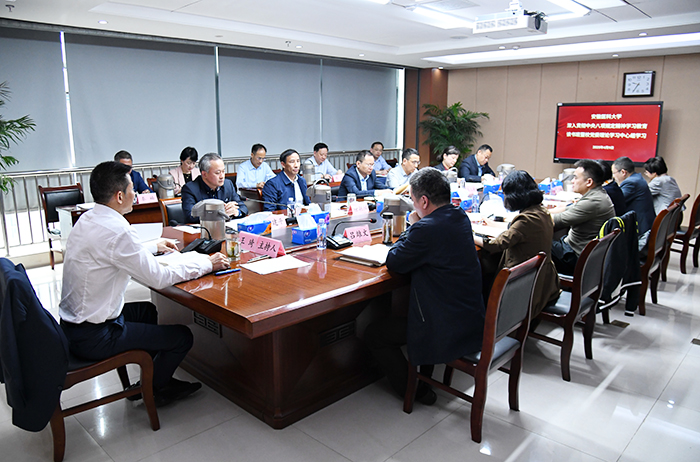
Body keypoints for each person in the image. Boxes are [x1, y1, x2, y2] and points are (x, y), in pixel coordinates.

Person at [59, 161, 230, 407]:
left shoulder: (89, 219)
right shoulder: (118, 230)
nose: (136, 194)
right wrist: (207, 264)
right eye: (132, 190)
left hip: (73, 326)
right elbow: (158, 278)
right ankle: (157, 388)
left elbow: (114, 252)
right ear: (119, 196)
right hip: (95, 337)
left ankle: (151, 375)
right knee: (182, 337)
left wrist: (152, 246)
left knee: (147, 311)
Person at [364, 168, 485, 405]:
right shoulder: (459, 216)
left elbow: (395, 261)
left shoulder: (426, 228)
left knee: (375, 334)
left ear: (424, 201)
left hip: (443, 325)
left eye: (412, 199)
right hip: (470, 318)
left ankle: (416, 391)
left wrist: (412, 225)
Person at [474, 170, 560, 318]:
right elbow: (516, 230)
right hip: (542, 278)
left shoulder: (526, 220)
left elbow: (495, 245)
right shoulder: (541, 212)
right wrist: (493, 224)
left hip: (523, 282)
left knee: (482, 268)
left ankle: (487, 317)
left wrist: (470, 235)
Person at [550, 159, 615, 275]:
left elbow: (555, 221)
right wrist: (544, 211)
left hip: (575, 257)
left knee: (533, 239)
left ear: (589, 182)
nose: (572, 181)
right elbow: (567, 209)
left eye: (575, 178)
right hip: (580, 251)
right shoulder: (597, 194)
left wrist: (530, 214)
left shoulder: (593, 202)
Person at [181, 153, 247, 223]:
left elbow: (243, 208)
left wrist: (236, 212)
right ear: (204, 174)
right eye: (217, 173)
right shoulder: (190, 189)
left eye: (223, 171)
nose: (222, 176)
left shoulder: (227, 184)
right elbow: (190, 216)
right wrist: (220, 214)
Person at [612, 156, 655, 235]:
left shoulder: (631, 183)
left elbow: (616, 202)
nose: (613, 176)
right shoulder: (637, 178)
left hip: (641, 230)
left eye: (614, 173)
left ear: (623, 172)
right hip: (646, 225)